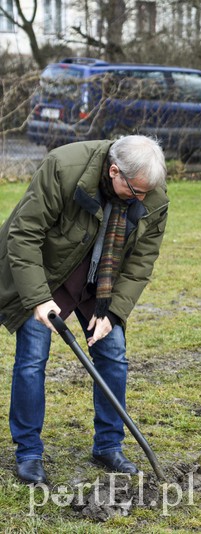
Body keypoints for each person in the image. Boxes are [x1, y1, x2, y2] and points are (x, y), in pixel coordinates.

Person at [0, 136, 169, 483]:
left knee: (114, 351)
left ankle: (108, 446)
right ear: (113, 171)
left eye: (146, 192)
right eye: (135, 191)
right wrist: (37, 298)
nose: (141, 199)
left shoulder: (152, 196)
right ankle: (29, 452)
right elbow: (24, 233)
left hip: (101, 283)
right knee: (33, 357)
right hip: (49, 274)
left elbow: (140, 262)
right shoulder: (64, 167)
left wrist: (114, 312)